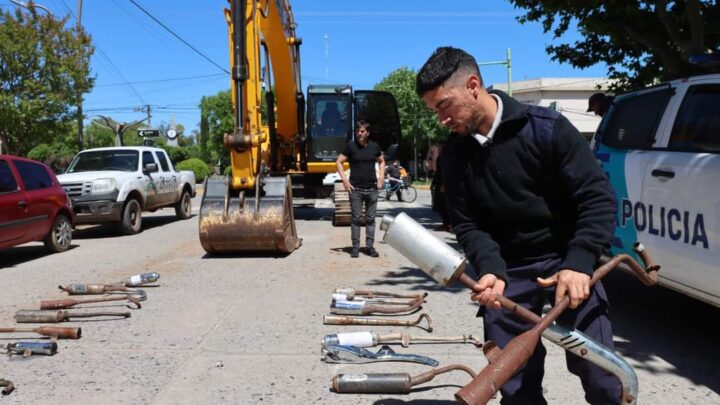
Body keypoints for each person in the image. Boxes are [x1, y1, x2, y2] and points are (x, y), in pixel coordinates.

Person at [416, 46, 619, 404]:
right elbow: (467, 225)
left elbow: (597, 198)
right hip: (509, 271)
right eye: (434, 111)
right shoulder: (455, 155)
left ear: (473, 85)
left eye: (444, 105)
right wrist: (492, 270)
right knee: (516, 388)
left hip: (568, 262)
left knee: (604, 377)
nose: (441, 119)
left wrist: (579, 262)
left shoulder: (546, 129)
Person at [336, 120, 385, 258]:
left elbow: (381, 161)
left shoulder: (374, 146)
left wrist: (381, 177)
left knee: (370, 219)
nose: (359, 133)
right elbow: (339, 162)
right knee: (356, 219)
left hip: (372, 188)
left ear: (368, 133)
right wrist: (344, 180)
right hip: (355, 189)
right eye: (357, 131)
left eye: (362, 131)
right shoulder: (350, 147)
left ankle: (369, 247)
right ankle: (355, 248)